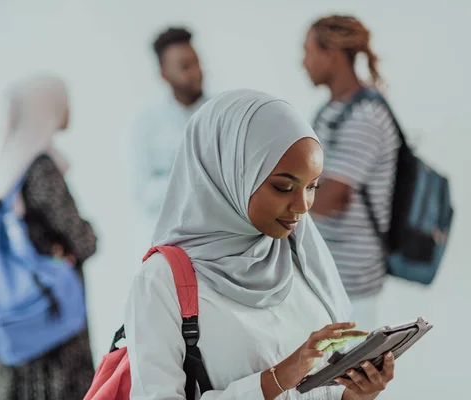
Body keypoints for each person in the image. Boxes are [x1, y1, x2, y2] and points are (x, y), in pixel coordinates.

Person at [124, 89, 396, 399]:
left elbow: (319, 390)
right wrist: (276, 379)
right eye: (283, 187)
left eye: (312, 187)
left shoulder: (301, 258)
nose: (303, 206)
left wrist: (355, 395)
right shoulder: (161, 281)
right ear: (230, 173)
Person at [0, 75, 97, 400]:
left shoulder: (6, 166)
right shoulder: (40, 168)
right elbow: (84, 239)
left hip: (22, 322)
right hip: (53, 325)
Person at [302, 15, 400, 331]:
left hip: (351, 286)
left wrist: (270, 200)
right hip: (329, 277)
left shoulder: (365, 115)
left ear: (330, 53)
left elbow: (332, 198)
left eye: (309, 51)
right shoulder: (332, 109)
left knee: (353, 379)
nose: (303, 62)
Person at [131, 27, 209, 238]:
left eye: (197, 63)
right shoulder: (147, 124)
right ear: (164, 74)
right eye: (185, 66)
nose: (196, 72)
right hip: (171, 240)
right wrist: (193, 180)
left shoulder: (223, 114)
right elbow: (144, 194)